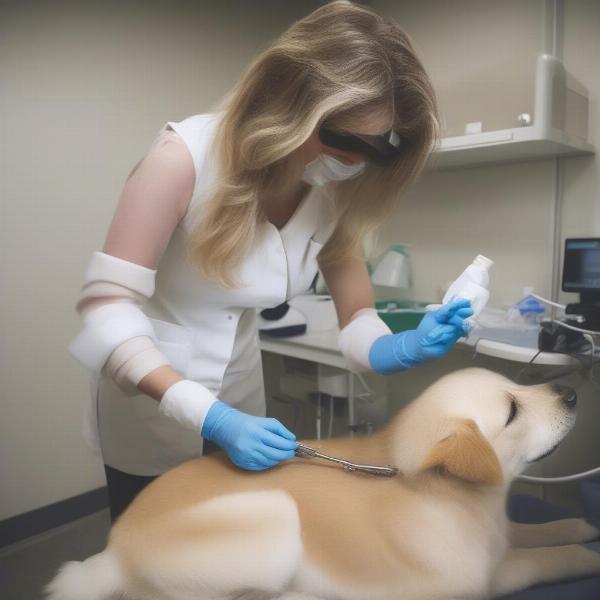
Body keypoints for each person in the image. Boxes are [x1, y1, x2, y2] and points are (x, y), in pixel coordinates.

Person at [68, 0, 473, 523]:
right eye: (346, 140)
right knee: (153, 552)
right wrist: (208, 416)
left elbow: (357, 319)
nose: (355, 162)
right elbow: (105, 311)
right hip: (150, 396)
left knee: (233, 543)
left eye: (377, 150)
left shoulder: (330, 193)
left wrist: (399, 346)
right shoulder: (183, 159)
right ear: (287, 102)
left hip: (240, 390)